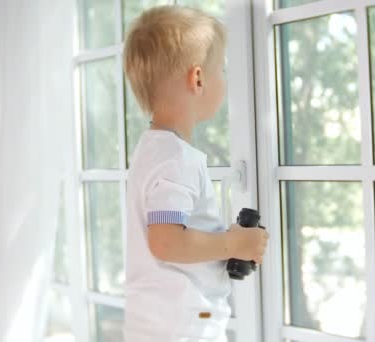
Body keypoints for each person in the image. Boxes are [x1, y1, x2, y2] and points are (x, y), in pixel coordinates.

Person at [122, 5, 269, 341]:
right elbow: (166, 241)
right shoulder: (175, 158)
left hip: (160, 322)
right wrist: (233, 242)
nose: (225, 77)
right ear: (198, 78)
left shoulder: (152, 149)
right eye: (223, 69)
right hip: (183, 327)